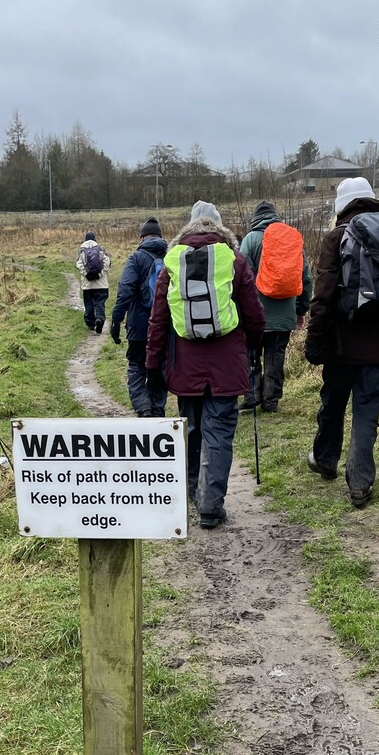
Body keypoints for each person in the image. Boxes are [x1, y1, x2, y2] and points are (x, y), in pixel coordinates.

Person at [145, 200, 265, 529]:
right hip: (227, 366)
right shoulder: (235, 260)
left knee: (192, 428)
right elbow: (254, 315)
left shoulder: (172, 263)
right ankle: (211, 506)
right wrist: (252, 347)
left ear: (189, 226)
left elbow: (158, 321)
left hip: (185, 367)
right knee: (220, 433)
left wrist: (152, 366)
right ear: (220, 227)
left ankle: (192, 489)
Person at [304, 176, 379, 508]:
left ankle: (325, 460)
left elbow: (323, 298)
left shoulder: (335, 238)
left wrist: (315, 341)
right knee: (367, 413)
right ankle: (360, 483)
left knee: (333, 404)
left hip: (341, 346)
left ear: (341, 205)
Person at [238, 200, 313, 413]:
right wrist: (301, 310)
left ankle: (252, 397)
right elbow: (305, 279)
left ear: (255, 219)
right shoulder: (290, 240)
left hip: (254, 314)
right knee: (276, 356)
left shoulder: (250, 240)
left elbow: (241, 278)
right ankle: (271, 401)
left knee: (251, 353)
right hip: (284, 315)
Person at [110, 217, 168, 416]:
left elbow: (125, 290)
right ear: (160, 237)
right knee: (158, 368)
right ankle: (158, 412)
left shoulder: (136, 258)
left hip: (138, 326)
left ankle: (144, 409)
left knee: (136, 367)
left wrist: (116, 320)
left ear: (141, 237)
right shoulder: (170, 257)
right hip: (163, 327)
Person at [76, 231, 111, 333]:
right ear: (95, 239)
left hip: (88, 285)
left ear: (85, 239)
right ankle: (99, 318)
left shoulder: (81, 250)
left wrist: (86, 274)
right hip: (102, 284)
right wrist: (100, 274)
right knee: (100, 303)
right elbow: (107, 262)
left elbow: (79, 264)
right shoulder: (100, 249)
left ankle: (90, 323)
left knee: (89, 304)